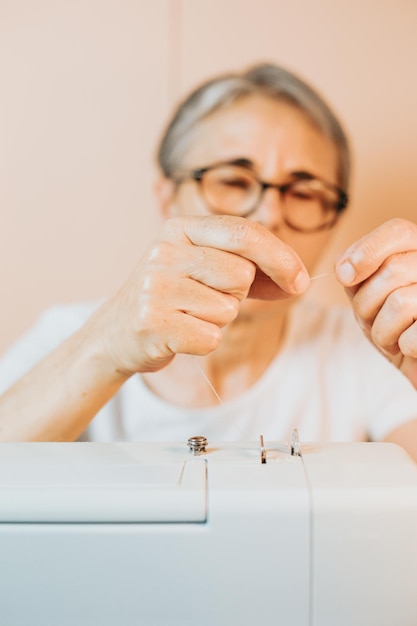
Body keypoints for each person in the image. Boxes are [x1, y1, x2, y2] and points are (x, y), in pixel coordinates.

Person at [0, 63, 416, 461]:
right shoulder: (67, 338)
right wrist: (106, 346)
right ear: (167, 199)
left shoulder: (370, 347)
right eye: (234, 181)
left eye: (304, 193)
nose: (269, 215)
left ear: (333, 222)